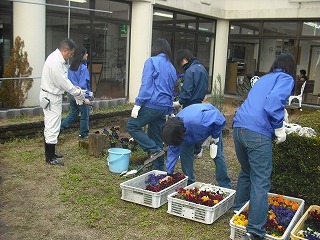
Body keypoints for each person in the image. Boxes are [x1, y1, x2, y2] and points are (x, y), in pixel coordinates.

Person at [232, 53, 296, 240]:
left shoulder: (264, 78)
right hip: (257, 132)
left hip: (239, 128)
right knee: (260, 181)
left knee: (246, 171)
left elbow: (261, 101)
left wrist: (279, 113)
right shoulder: (286, 78)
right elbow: (272, 103)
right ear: (290, 67)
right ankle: (255, 231)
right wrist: (279, 128)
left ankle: (238, 211)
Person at [126, 38, 177, 170]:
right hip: (163, 107)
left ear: (156, 48)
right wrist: (170, 109)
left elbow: (146, 84)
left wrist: (138, 104)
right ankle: (158, 168)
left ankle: (153, 150)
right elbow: (172, 89)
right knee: (156, 136)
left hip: (152, 104)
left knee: (132, 125)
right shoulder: (171, 66)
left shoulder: (151, 61)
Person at [161, 103, 231, 188]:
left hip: (210, 126)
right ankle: (190, 182)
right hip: (189, 131)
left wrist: (215, 136)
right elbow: (173, 150)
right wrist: (169, 173)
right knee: (185, 155)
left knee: (217, 155)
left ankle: (225, 185)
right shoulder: (173, 130)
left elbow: (218, 118)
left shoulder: (199, 121)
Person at [40, 38, 86, 166]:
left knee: (52, 124)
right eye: (71, 53)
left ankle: (51, 153)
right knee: (52, 126)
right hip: (51, 96)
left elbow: (63, 81)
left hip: (52, 95)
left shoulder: (58, 59)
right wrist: (77, 92)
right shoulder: (55, 62)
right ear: (65, 50)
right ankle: (50, 157)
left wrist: (73, 88)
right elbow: (63, 82)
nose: (71, 56)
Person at [173, 49, 209, 158]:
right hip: (199, 102)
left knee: (186, 128)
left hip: (190, 103)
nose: (181, 65)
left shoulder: (190, 71)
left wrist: (179, 102)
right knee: (195, 127)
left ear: (184, 59)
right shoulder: (202, 68)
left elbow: (187, 90)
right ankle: (198, 150)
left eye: (180, 63)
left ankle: (188, 152)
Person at [60, 47, 92, 139]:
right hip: (80, 94)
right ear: (82, 55)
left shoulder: (71, 67)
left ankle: (60, 128)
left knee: (73, 113)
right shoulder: (83, 68)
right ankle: (83, 134)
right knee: (85, 114)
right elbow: (83, 84)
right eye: (86, 53)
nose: (87, 55)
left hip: (71, 93)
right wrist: (85, 97)